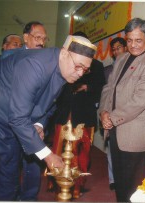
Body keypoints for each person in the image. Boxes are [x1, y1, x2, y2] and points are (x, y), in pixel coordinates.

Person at [0, 35, 97, 200]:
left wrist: (39, 124)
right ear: (63, 54)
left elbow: (50, 103)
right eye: (78, 66)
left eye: (85, 69)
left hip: (13, 117)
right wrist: (48, 155)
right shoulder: (35, 65)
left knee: (9, 172)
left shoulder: (65, 68)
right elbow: (18, 119)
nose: (80, 73)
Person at [99, 18, 145, 202]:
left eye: (138, 40)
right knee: (119, 182)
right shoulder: (121, 58)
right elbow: (108, 88)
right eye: (129, 40)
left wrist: (111, 117)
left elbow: (139, 101)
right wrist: (103, 112)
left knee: (132, 188)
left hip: (134, 134)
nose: (133, 45)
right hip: (114, 130)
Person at [49, 31, 105, 198]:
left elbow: (102, 87)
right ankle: (58, 184)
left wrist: (85, 87)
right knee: (58, 148)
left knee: (81, 151)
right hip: (64, 113)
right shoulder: (65, 61)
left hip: (84, 114)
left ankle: (77, 186)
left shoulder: (96, 65)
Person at [18, 21, 49, 201]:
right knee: (9, 167)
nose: (41, 43)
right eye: (38, 38)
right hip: (10, 124)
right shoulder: (12, 59)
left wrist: (40, 123)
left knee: (33, 167)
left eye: (44, 39)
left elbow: (50, 100)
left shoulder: (47, 62)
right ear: (26, 38)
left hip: (35, 125)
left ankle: (29, 198)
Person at [102, 37, 127, 191]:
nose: (117, 51)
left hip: (127, 115)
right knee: (111, 149)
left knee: (124, 150)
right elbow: (104, 93)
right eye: (114, 49)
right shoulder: (107, 70)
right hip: (110, 116)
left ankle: (124, 179)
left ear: (125, 48)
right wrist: (103, 113)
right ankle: (113, 179)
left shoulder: (133, 66)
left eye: (119, 48)